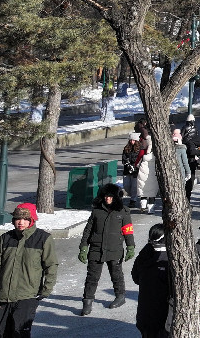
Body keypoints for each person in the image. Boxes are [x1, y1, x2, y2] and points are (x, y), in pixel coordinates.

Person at [0, 203, 58, 338]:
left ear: (31, 220)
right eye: (17, 218)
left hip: (27, 295)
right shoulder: (5, 238)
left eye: (25, 219)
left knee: (20, 332)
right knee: (3, 333)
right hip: (3, 296)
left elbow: (51, 265)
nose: (21, 222)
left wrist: (47, 288)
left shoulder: (43, 238)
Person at [78, 183, 135, 315]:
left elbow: (128, 231)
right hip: (96, 248)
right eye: (105, 196)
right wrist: (83, 247)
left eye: (110, 197)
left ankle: (120, 296)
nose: (107, 199)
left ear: (116, 197)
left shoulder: (123, 212)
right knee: (92, 276)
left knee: (116, 275)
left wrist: (130, 247)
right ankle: (87, 301)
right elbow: (88, 231)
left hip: (115, 248)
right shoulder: (97, 211)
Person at [132, 224, 172, 338]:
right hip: (163, 315)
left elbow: (135, 277)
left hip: (145, 312)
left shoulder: (145, 253)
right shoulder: (169, 258)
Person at [184, 115, 200, 200]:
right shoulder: (196, 130)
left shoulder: (184, 128)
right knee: (191, 176)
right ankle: (188, 194)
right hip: (191, 157)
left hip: (185, 152)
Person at [121, 132, 144, 208]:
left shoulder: (140, 148)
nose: (132, 142)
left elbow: (140, 158)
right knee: (126, 185)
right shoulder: (126, 148)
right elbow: (123, 158)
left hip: (135, 170)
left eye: (133, 140)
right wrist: (127, 163)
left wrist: (134, 166)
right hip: (127, 170)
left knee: (134, 186)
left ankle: (133, 200)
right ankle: (131, 195)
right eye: (131, 140)